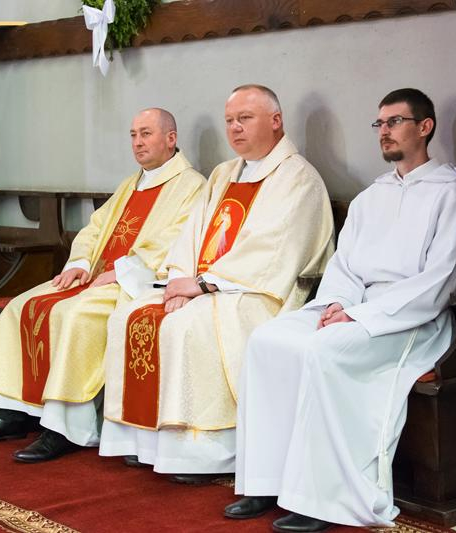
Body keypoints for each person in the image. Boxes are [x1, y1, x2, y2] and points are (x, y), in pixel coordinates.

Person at [226, 88, 456, 532]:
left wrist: (360, 316)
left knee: (324, 350)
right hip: (354, 306)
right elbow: (344, 264)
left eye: (395, 122)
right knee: (267, 340)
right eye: (380, 123)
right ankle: (266, 480)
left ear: (425, 127)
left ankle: (321, 497)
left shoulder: (451, 194)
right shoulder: (371, 196)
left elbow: (441, 280)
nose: (384, 132)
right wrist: (339, 302)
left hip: (411, 320)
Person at [99, 85, 334, 481]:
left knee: (187, 327)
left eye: (245, 118)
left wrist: (205, 284)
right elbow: (191, 233)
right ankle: (147, 442)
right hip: (207, 286)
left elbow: (275, 249)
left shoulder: (298, 178)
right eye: (229, 121)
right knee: (130, 314)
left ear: (276, 121)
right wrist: (179, 279)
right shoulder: (224, 174)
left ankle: (203, 452)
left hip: (260, 293)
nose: (235, 128)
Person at [0, 108, 206, 463]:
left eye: (146, 134)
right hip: (95, 276)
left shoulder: (192, 186)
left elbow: (178, 240)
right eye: (133, 135)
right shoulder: (132, 183)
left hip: (134, 284)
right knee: (22, 306)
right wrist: (80, 263)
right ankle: (9, 414)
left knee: (76, 317)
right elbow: (95, 226)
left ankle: (66, 428)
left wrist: (123, 271)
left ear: (171, 138)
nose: (137, 142)